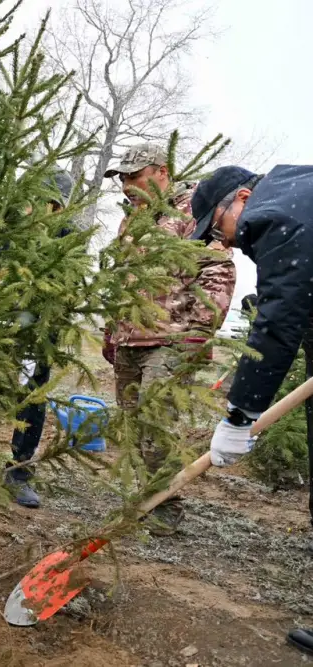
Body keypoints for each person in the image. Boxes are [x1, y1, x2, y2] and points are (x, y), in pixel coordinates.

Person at [185, 164, 313, 657]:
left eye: (220, 230)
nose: (230, 244)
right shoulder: (297, 197)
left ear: (242, 197)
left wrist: (239, 415)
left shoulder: (278, 213)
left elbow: (281, 321)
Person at [102, 143, 236, 533]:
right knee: (131, 425)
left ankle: (166, 507)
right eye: (124, 178)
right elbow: (122, 282)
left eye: (135, 176)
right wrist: (112, 330)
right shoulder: (131, 222)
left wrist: (199, 331)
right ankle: (146, 498)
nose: (128, 185)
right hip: (130, 339)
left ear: (162, 171)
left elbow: (217, 270)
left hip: (173, 338)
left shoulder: (194, 211)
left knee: (156, 425)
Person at [6, 168, 75, 509]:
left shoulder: (66, 237)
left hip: (38, 332)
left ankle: (19, 471)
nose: (34, 209)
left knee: (32, 397)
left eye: (45, 202)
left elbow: (68, 290)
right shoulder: (6, 228)